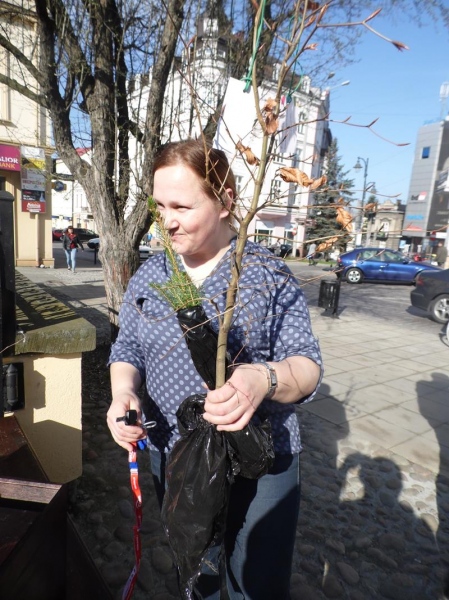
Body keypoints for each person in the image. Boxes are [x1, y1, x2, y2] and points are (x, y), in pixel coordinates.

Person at [107, 139, 322, 599]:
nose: (166, 221)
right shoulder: (153, 275)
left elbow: (307, 366)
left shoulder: (266, 274)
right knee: (197, 577)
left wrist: (263, 379)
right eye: (159, 206)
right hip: (177, 453)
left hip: (261, 462)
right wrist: (123, 390)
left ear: (225, 201)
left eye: (182, 206)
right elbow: (127, 346)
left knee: (256, 584)